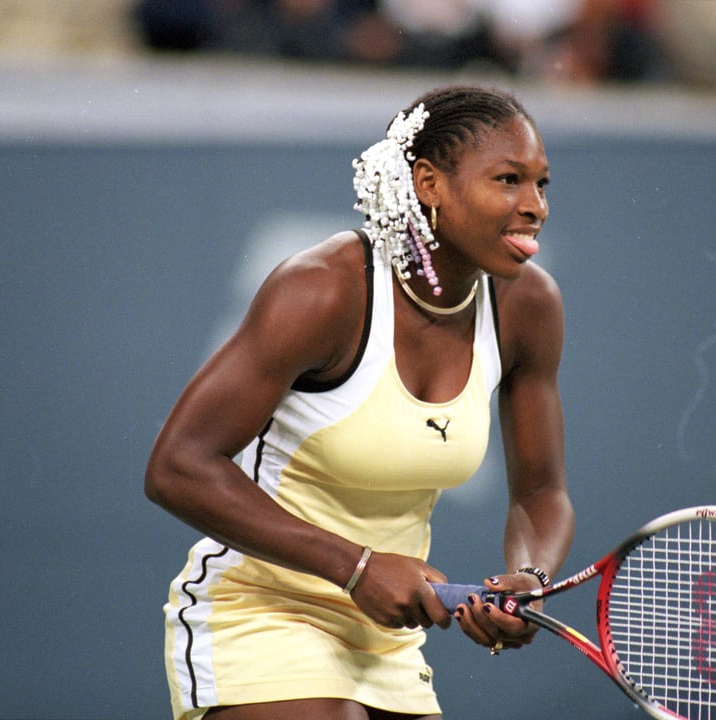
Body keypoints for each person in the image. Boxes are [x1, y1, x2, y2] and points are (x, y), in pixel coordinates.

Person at [145, 84, 575, 720]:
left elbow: (541, 493)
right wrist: (355, 567)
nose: (534, 206)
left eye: (542, 184)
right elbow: (177, 466)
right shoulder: (322, 291)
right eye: (509, 180)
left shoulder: (528, 307)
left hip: (385, 638)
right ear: (429, 183)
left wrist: (528, 579)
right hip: (259, 609)